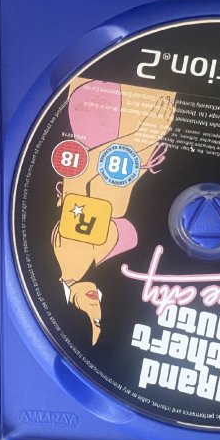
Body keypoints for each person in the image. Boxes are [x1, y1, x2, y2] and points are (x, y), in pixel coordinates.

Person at [51, 80, 175, 345]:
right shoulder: (83, 269)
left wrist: (142, 137)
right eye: (100, 322)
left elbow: (79, 172)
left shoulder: (75, 259)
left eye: (92, 321)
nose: (97, 310)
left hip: (115, 113)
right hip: (121, 123)